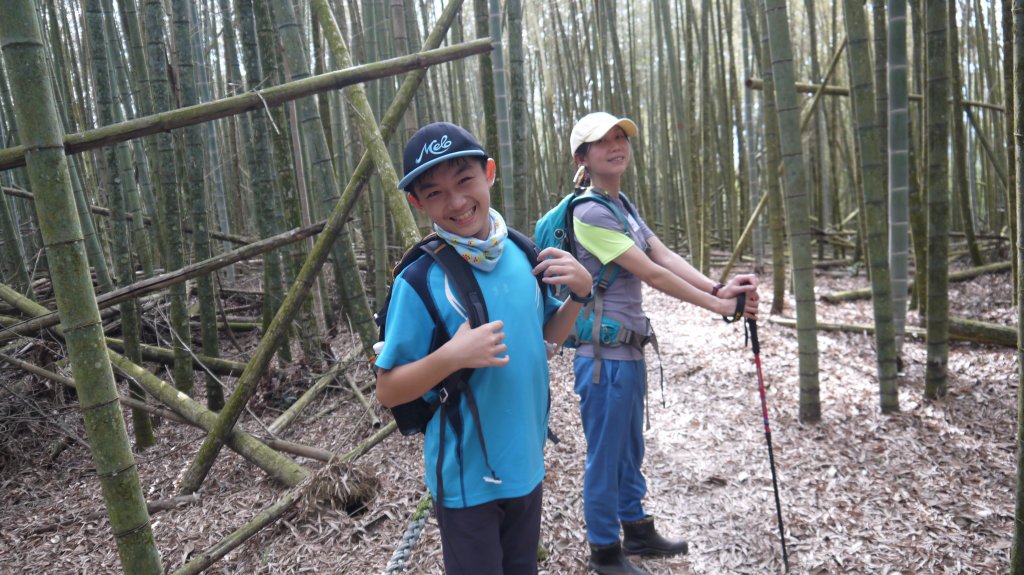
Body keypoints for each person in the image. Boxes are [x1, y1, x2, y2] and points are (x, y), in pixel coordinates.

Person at [375, 122, 593, 575]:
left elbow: (547, 338)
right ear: (416, 203)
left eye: (464, 180)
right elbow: (389, 390)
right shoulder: (417, 281)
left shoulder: (522, 253)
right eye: (434, 193)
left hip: (525, 464)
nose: (455, 202)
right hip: (466, 482)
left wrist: (579, 294)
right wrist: (451, 356)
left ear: (489, 173)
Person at [566, 112, 760, 575]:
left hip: (628, 352)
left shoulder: (621, 204)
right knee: (606, 453)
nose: (617, 146)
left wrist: (718, 290)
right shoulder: (588, 212)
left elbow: (663, 254)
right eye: (603, 141)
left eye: (621, 137)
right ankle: (604, 551)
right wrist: (718, 309)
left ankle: (636, 529)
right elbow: (650, 273)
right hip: (602, 358)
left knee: (630, 447)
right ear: (583, 157)